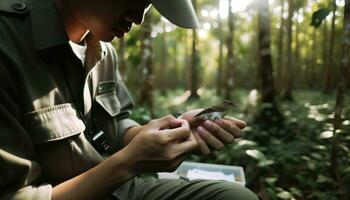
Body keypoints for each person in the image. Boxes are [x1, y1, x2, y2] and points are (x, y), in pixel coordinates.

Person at [0, 0, 259, 199]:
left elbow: (115, 125)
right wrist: (130, 163)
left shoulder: (103, 51)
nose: (138, 16)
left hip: (114, 188)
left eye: (147, 4)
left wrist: (171, 130)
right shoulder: (7, 42)